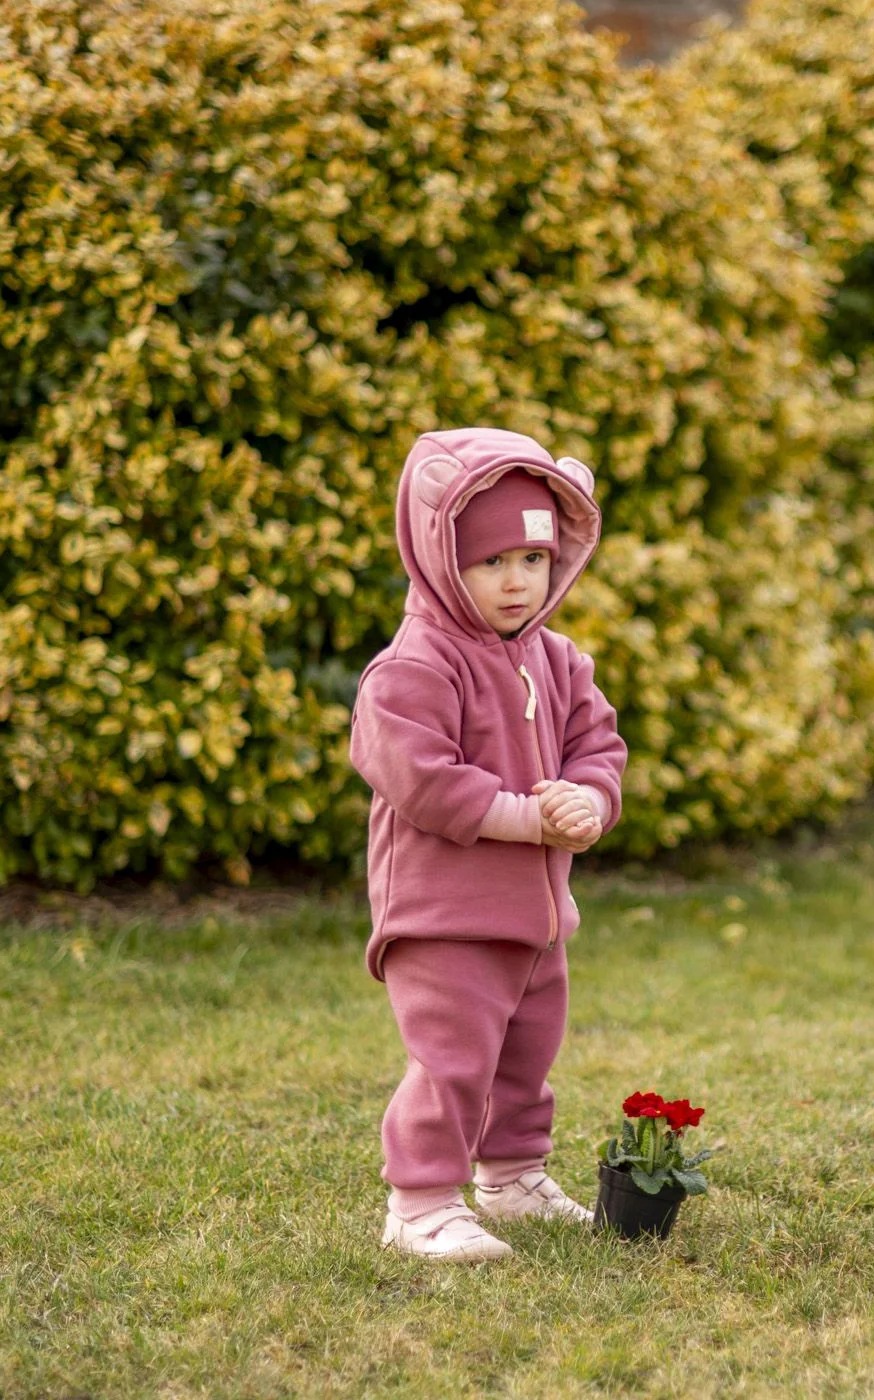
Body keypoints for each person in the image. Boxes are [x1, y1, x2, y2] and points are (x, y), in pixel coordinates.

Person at [350, 428, 626, 1262]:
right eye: (492, 562)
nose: (517, 582)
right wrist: (524, 817)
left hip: (536, 914)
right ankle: (422, 1201)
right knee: (454, 1058)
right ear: (442, 560)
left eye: (534, 562)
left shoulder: (557, 658)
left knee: (524, 1053)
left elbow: (597, 743)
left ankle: (511, 1176)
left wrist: (588, 797)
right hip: (444, 914)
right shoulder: (414, 666)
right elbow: (419, 778)